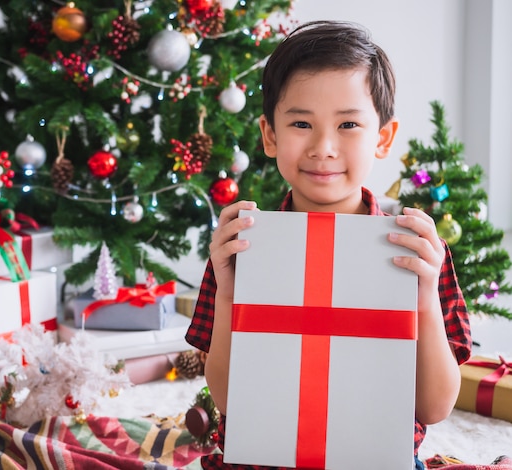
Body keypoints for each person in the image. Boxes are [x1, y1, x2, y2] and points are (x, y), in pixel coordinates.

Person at [185, 20, 472, 470]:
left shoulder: (417, 249)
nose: (323, 147)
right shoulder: (243, 247)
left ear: (382, 138)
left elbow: (435, 408)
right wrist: (228, 291)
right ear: (270, 135)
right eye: (301, 122)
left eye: (349, 124)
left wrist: (423, 300)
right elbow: (228, 399)